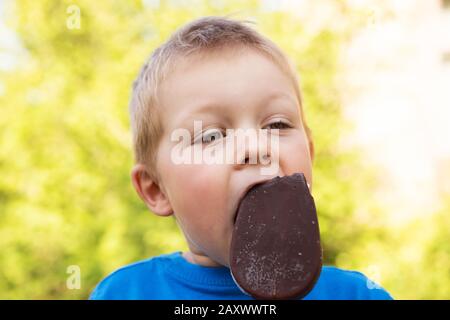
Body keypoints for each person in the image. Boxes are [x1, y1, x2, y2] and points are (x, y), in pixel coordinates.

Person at [90, 16, 392, 300]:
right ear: (156, 189)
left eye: (277, 125)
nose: (255, 147)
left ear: (309, 156)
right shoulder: (127, 293)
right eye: (211, 136)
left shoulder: (356, 295)